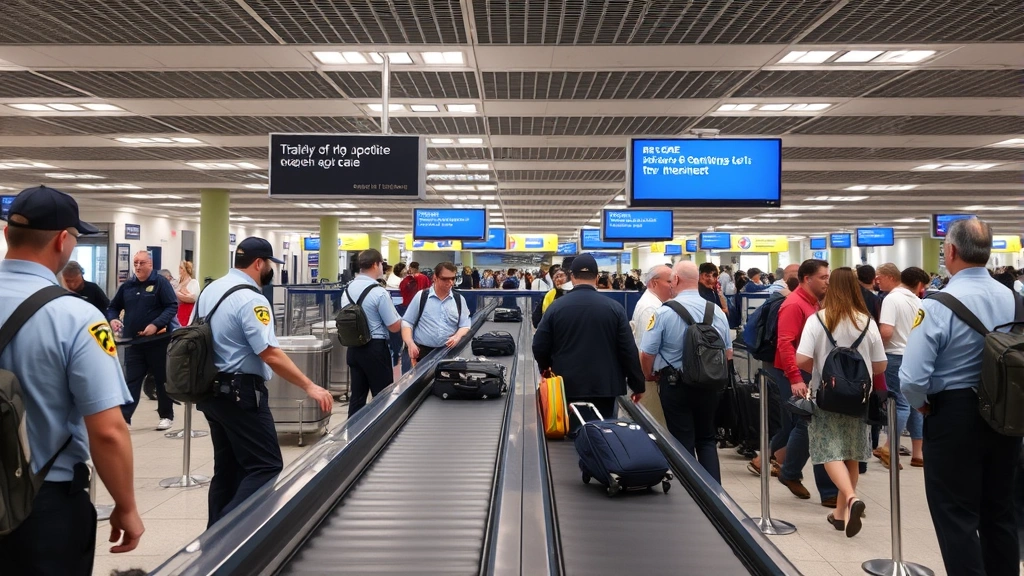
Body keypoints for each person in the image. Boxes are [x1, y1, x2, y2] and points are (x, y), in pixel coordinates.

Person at [0, 185, 142, 574]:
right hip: (40, 507)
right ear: (63, 240)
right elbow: (108, 430)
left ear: (7, 233)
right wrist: (125, 505)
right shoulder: (76, 317)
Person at [900, 218, 1021, 576]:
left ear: (950, 252)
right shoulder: (1016, 301)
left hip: (954, 416)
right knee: (1000, 512)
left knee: (957, 515)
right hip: (1008, 416)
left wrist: (922, 402)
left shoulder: (938, 305)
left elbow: (912, 377)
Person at [196, 237, 334, 527]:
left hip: (210, 391)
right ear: (259, 263)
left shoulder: (210, 290)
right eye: (270, 263)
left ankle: (212, 538)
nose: (272, 269)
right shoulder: (252, 298)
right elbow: (270, 353)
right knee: (266, 465)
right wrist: (310, 385)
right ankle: (228, 533)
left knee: (228, 468)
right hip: (240, 393)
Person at [795, 267, 887, 537]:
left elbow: (801, 359)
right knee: (852, 453)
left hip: (826, 395)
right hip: (859, 398)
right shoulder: (866, 321)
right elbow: (881, 364)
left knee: (828, 450)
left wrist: (822, 364)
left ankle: (849, 498)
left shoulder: (818, 319)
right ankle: (840, 515)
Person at [640, 261, 731, 481]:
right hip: (710, 386)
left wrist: (648, 375)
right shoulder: (717, 311)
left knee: (682, 440)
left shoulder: (664, 312)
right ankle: (715, 494)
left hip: (676, 385)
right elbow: (728, 354)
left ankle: (691, 492)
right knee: (707, 439)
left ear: (677, 280)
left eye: (671, 280)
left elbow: (646, 354)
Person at [533, 253, 645, 419]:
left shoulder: (556, 308)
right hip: (606, 387)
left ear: (572, 276)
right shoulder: (615, 309)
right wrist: (637, 385)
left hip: (566, 386)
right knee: (603, 435)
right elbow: (628, 350)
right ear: (597, 277)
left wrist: (546, 368)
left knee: (570, 438)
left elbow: (539, 345)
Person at [774, 259, 840, 507]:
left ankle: (791, 473)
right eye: (823, 277)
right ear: (805, 279)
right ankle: (827, 490)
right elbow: (785, 343)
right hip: (798, 375)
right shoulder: (794, 305)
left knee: (810, 426)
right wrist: (794, 378)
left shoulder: (814, 304)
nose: (827, 281)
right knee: (813, 425)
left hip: (811, 373)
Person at [106, 250, 178, 430]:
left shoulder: (160, 283)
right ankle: (125, 418)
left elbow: (171, 307)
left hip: (158, 342)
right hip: (135, 343)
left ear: (150, 265)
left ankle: (166, 415)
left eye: (142, 263)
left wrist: (156, 324)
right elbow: (113, 307)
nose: (138, 267)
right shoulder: (127, 285)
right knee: (132, 380)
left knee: (162, 380)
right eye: (135, 263)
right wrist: (113, 319)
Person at [873, 265, 929, 469]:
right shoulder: (919, 301)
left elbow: (887, 331)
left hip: (895, 356)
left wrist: (875, 348)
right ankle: (918, 453)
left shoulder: (892, 299)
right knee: (916, 404)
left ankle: (889, 447)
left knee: (899, 403)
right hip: (915, 355)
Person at [342, 249, 402, 417]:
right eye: (383, 264)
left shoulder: (346, 290)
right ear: (376, 264)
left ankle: (353, 437)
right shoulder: (378, 292)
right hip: (374, 349)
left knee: (357, 397)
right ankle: (381, 436)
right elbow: (394, 326)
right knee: (382, 396)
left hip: (353, 349)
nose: (383, 267)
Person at [401, 261, 471, 366]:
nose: (450, 283)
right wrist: (410, 343)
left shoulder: (459, 300)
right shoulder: (421, 297)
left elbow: (465, 324)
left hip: (448, 353)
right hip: (422, 354)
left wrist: (457, 336)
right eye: (445, 279)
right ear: (435, 277)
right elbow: (407, 322)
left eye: (453, 278)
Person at [630, 264, 675, 426]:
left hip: (651, 377)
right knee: (653, 425)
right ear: (654, 283)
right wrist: (649, 375)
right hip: (649, 381)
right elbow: (645, 349)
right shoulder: (651, 308)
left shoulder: (656, 304)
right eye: (669, 281)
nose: (673, 286)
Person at [175, 260, 200, 328]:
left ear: (185, 270)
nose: (179, 270)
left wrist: (179, 294)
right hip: (177, 310)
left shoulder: (193, 282)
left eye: (181, 268)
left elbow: (193, 298)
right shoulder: (177, 282)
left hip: (187, 311)